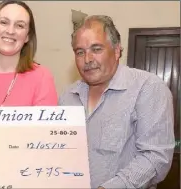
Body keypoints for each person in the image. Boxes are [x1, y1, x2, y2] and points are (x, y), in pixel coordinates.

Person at [59, 15, 175, 189]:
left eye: (96, 49)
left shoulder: (148, 88)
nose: (87, 59)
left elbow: (155, 157)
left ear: (117, 50)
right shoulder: (67, 96)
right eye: (80, 52)